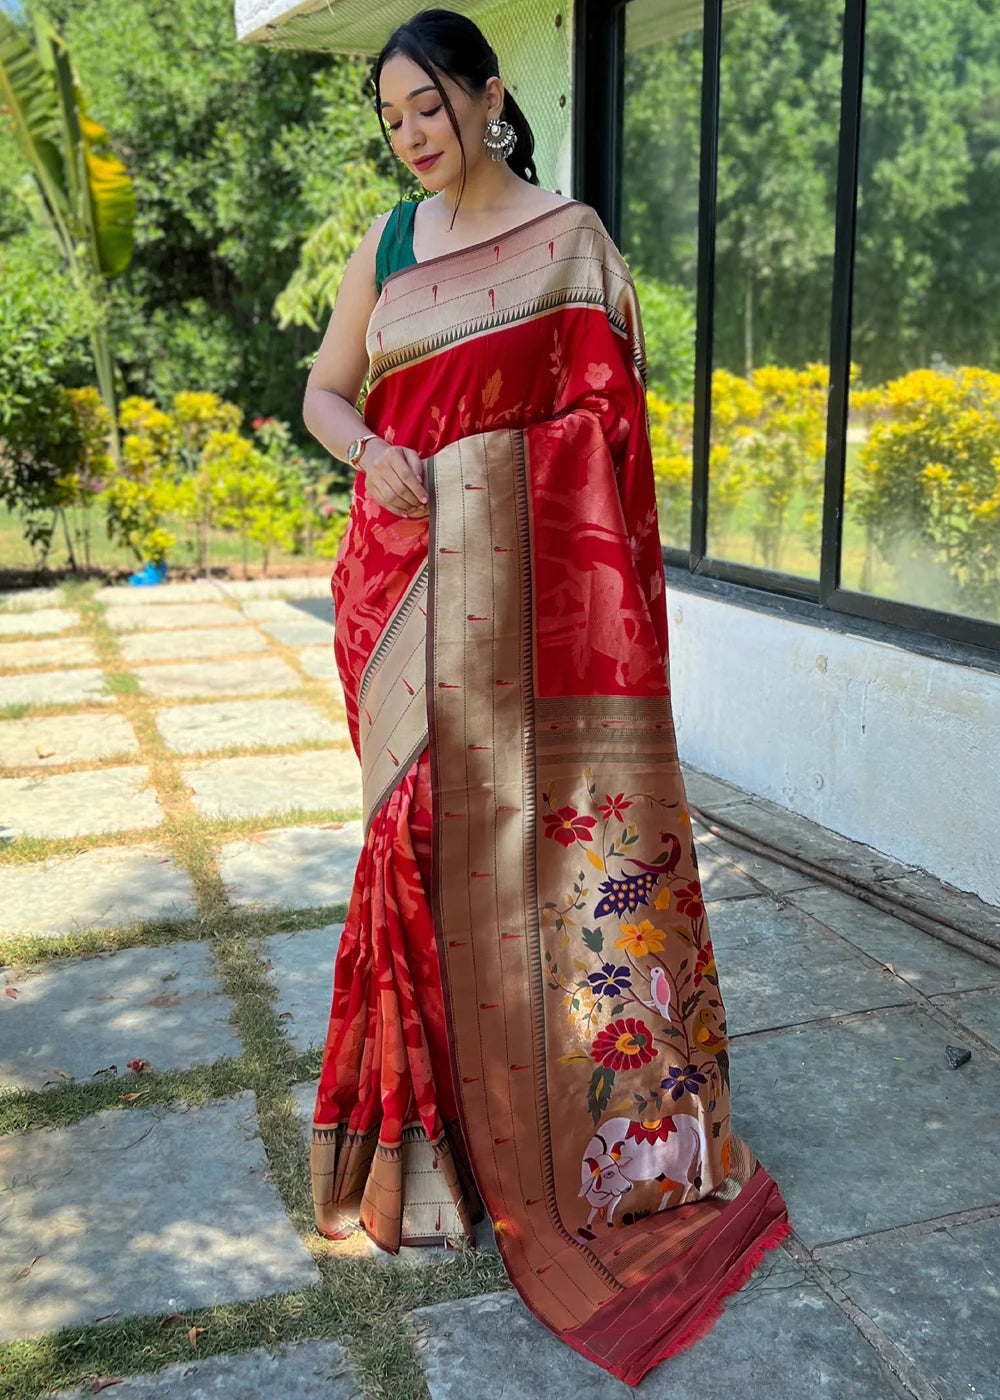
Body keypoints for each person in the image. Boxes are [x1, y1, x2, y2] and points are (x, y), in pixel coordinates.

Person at [302, 8, 788, 1384]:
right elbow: (326, 395)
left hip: (542, 621)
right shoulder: (387, 249)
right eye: (391, 117)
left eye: (428, 108)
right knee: (417, 855)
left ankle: (590, 1129)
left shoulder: (569, 240)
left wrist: (499, 472)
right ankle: (434, 1154)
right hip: (403, 601)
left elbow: (610, 429)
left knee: (548, 872)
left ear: (487, 93)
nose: (411, 135)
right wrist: (374, 454)